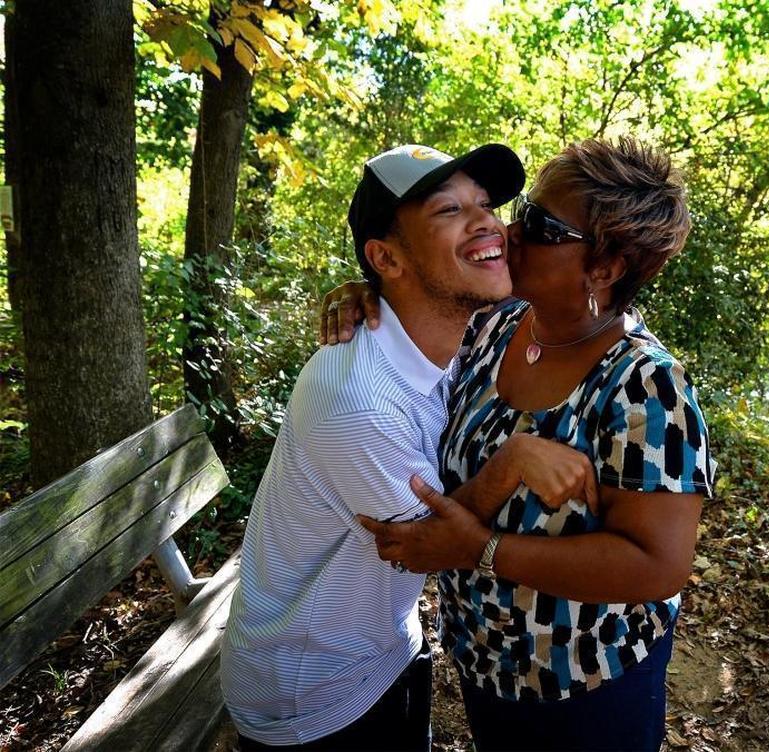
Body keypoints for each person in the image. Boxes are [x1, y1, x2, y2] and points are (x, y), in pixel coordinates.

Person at [322, 136, 715, 751]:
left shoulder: (645, 387)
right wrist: (369, 292)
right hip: (485, 664)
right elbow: (428, 291)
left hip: (585, 687)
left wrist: (483, 549)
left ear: (605, 268)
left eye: (539, 224)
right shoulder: (500, 320)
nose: (509, 230)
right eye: (523, 210)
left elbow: (659, 565)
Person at [221, 142, 598, 751]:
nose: (486, 222)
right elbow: (424, 546)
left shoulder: (462, 328)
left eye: (485, 204)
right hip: (312, 688)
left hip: (383, 644)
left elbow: (576, 299)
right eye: (449, 211)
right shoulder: (358, 401)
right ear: (386, 256)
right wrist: (513, 462)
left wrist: (373, 285)